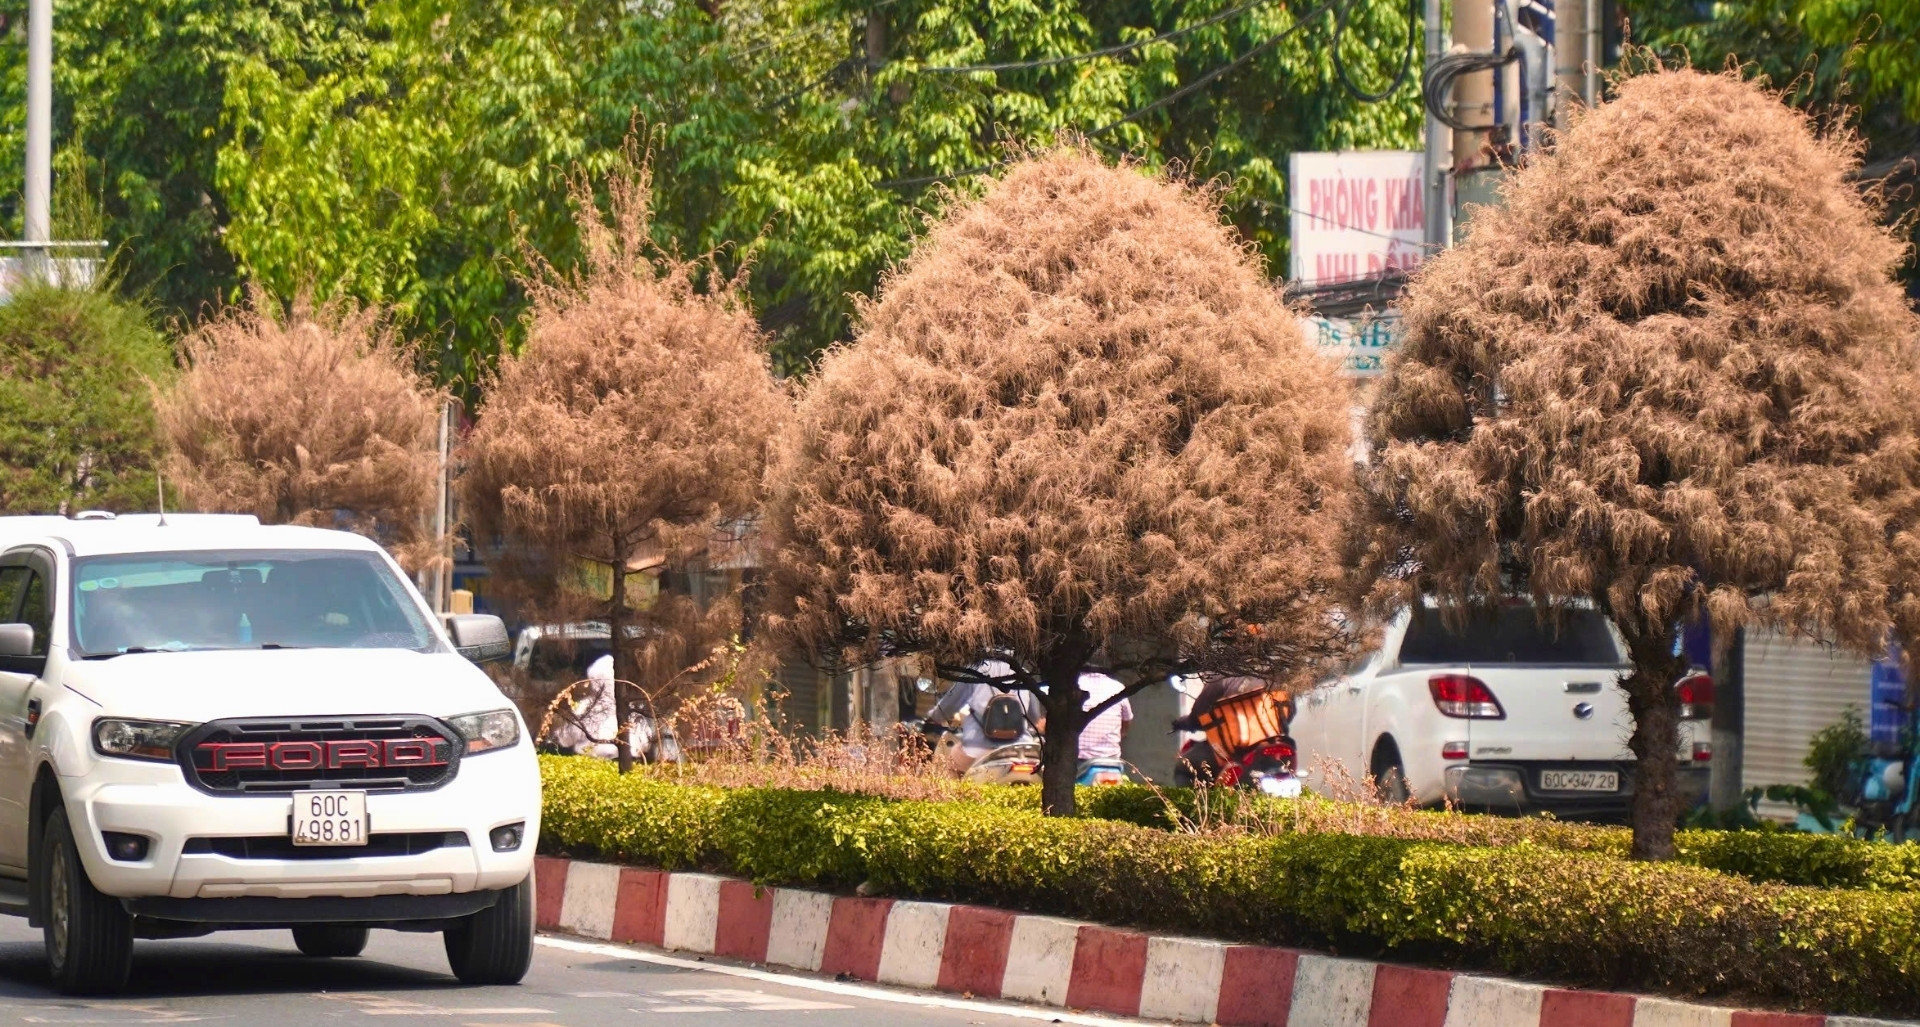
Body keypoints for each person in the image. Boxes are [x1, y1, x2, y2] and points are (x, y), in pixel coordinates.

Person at [927, 660, 1042, 775]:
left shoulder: (975, 670)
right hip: (1021, 747)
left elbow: (949, 705)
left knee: (949, 766)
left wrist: (934, 718)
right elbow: (1035, 718)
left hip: (977, 748)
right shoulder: (1024, 673)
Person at [1077, 671, 1133, 761]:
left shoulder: (1071, 687)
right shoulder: (1118, 688)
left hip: (1076, 760)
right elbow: (1127, 721)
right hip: (1110, 759)